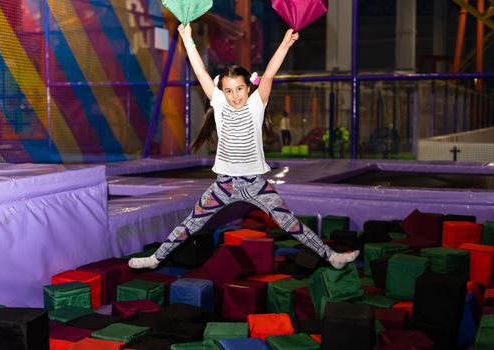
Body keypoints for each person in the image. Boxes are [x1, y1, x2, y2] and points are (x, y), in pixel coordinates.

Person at [129, 23, 359, 270]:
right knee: (190, 223)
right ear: (222, 92)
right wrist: (187, 39)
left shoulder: (256, 104)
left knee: (290, 223)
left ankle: (332, 257)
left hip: (255, 184)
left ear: (249, 88)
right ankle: (156, 259)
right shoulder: (218, 103)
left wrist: (285, 44)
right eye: (228, 90)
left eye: (239, 89)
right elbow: (201, 73)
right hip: (224, 184)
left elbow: (269, 74)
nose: (235, 95)